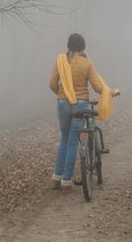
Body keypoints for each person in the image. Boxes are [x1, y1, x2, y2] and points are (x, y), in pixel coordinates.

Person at [48, 33, 118, 193]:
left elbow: (52, 83)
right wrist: (110, 92)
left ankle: (56, 179)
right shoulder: (87, 63)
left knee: (64, 140)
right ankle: (67, 182)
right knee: (73, 141)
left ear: (68, 46)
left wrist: (61, 94)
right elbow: (97, 86)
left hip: (62, 103)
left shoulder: (61, 61)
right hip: (80, 105)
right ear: (83, 47)